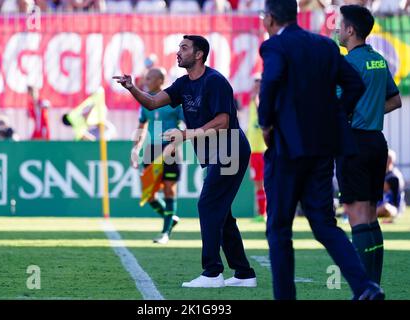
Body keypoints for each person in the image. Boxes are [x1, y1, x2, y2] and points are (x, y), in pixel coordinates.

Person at [259, 0, 384, 300]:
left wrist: (266, 124)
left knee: (278, 230)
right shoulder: (325, 46)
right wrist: (335, 116)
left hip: (288, 149)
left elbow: (271, 83)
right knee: (325, 224)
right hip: (324, 149)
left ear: (271, 19)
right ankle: (366, 286)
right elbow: (353, 84)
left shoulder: (275, 46)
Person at [114, 35, 257, 288]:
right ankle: (244, 274)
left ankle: (212, 273)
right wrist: (131, 88)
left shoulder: (215, 81)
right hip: (214, 153)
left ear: (199, 54)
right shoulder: (183, 83)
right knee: (222, 214)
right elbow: (153, 102)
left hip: (231, 148)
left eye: (184, 48)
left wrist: (186, 134)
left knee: (208, 206)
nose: (177, 52)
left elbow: (223, 122)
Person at [336, 4, 402, 286]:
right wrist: (371, 111)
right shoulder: (378, 60)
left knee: (357, 217)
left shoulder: (348, 63)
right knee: (371, 216)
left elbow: (336, 105)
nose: (337, 29)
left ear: (350, 30)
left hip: (354, 142)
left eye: (340, 25)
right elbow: (395, 100)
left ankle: (364, 288)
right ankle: (373, 284)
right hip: (377, 142)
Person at [131, 68, 184, 244]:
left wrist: (177, 140)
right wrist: (136, 148)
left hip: (170, 149)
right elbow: (141, 126)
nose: (146, 81)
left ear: (161, 79)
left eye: (150, 78)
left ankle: (165, 232)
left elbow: (187, 124)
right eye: (146, 78)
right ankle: (171, 218)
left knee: (169, 189)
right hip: (151, 149)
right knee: (149, 194)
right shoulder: (145, 102)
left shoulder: (174, 100)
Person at [246, 75, 267, 222]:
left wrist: (256, 98)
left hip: (261, 150)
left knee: (262, 183)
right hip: (253, 150)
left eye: (258, 85)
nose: (254, 88)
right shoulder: (252, 103)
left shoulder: (261, 101)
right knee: (258, 183)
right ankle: (262, 212)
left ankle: (263, 213)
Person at [377, 149, 406, 223]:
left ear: (390, 161)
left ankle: (364, 215)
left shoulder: (394, 176)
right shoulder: (383, 173)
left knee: (386, 207)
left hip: (393, 208)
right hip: (380, 206)